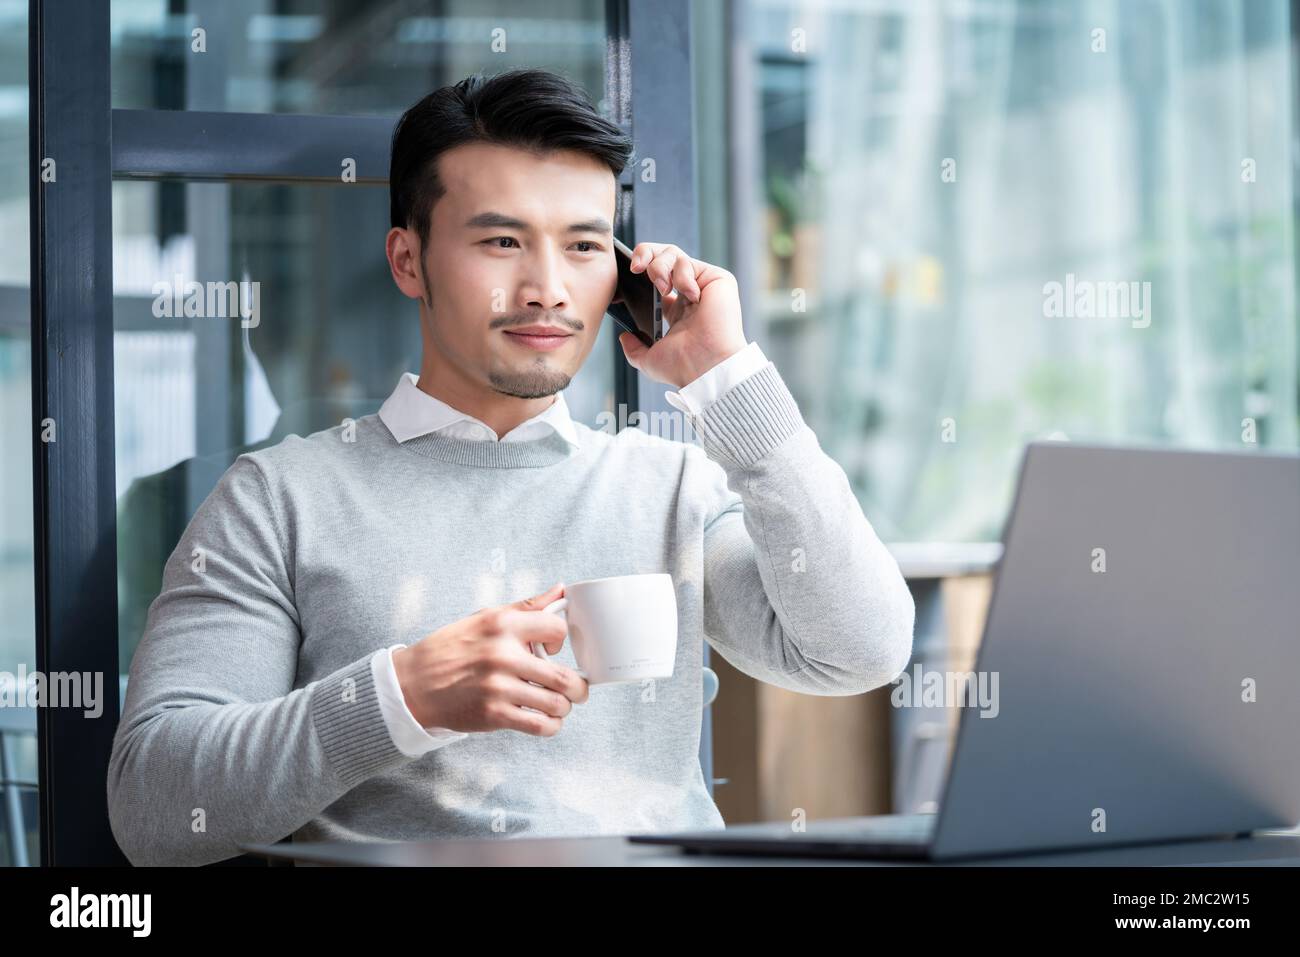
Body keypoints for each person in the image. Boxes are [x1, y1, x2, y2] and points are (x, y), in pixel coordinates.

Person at [107, 67, 915, 866]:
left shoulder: (672, 488)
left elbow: (861, 649)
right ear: (408, 260)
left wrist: (728, 377)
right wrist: (405, 694)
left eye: (585, 246)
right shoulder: (278, 499)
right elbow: (153, 808)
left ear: (624, 272)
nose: (548, 289)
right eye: (502, 241)